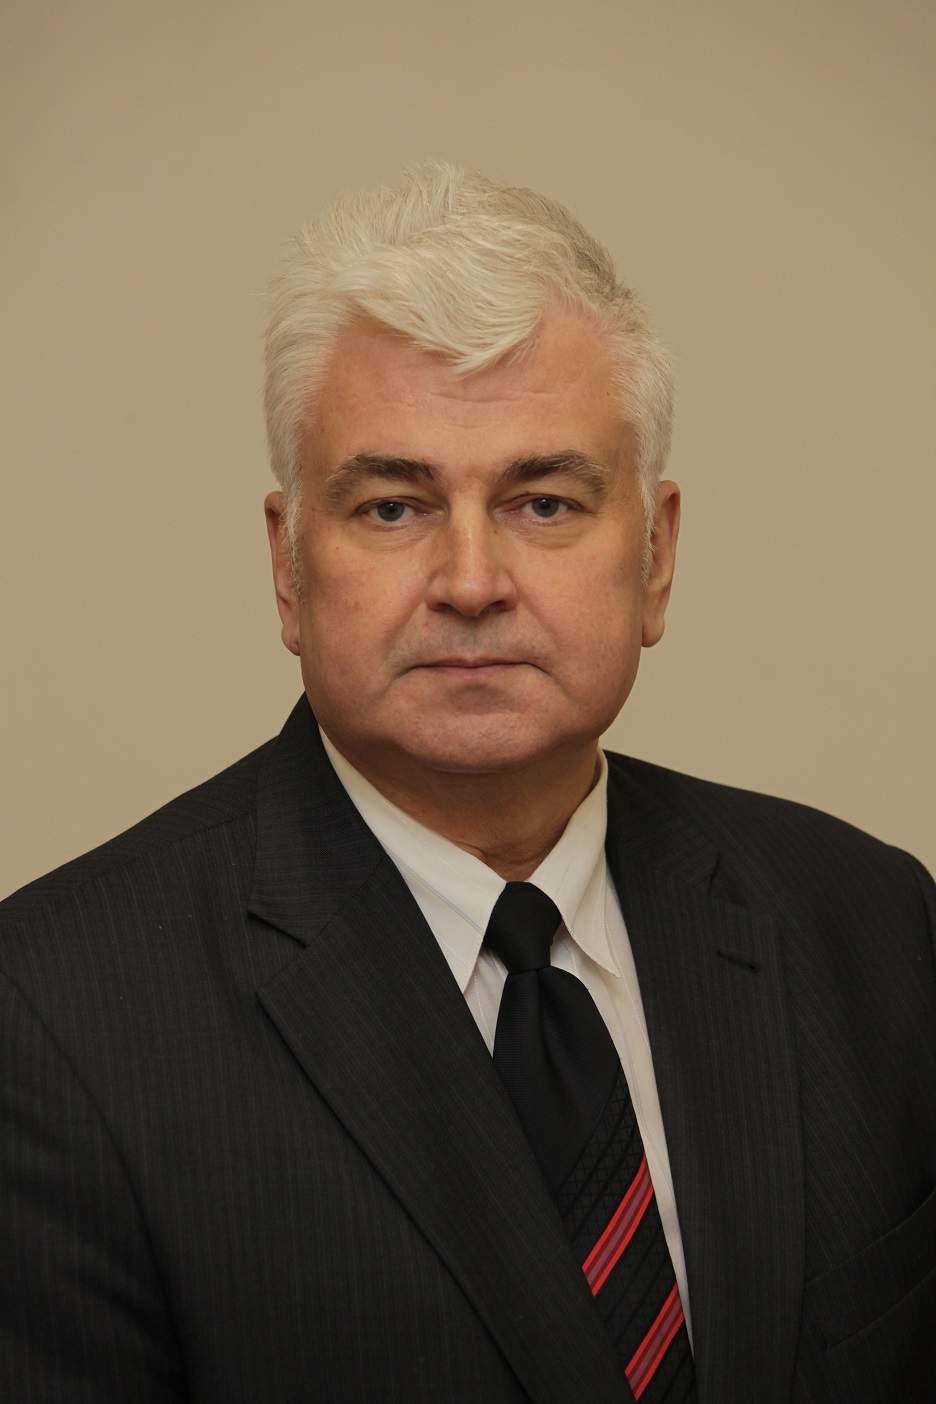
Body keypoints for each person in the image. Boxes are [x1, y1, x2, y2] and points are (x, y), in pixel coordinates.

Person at [1, 163, 933, 1404]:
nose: (473, 582)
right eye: (394, 508)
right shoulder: (55, 1018)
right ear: (287, 569)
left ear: (657, 559)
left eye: (544, 502)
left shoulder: (873, 927)